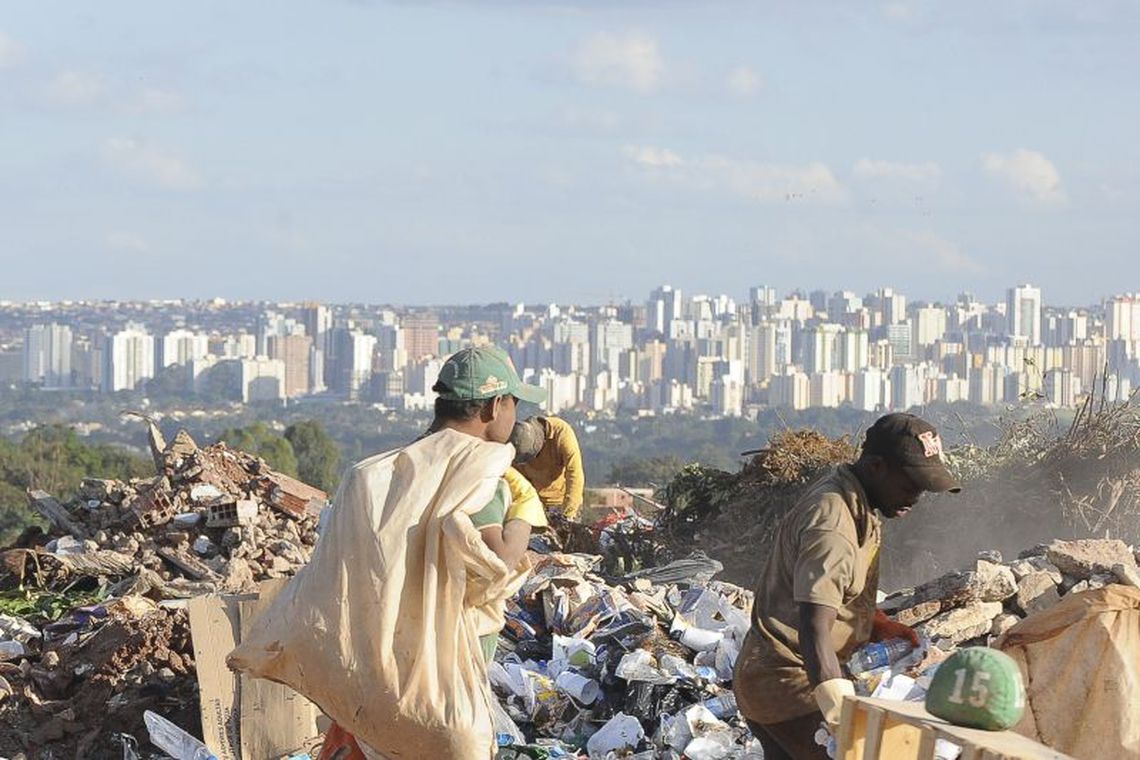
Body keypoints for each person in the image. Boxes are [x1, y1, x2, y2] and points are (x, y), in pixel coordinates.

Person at [313, 346, 548, 760]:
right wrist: (524, 511)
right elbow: (498, 563)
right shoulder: (478, 474)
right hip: (443, 672)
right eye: (514, 404)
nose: (515, 416)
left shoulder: (383, 472)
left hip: (377, 661)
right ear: (495, 407)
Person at [733, 413, 961, 760]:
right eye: (909, 484)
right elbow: (813, 629)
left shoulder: (856, 499)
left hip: (767, 678)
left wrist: (877, 625)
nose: (915, 497)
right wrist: (841, 717)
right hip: (790, 687)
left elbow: (833, 594)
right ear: (876, 466)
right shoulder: (834, 524)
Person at [510, 414, 586, 519]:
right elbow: (515, 480)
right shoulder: (518, 441)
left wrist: (569, 513)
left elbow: (574, 473)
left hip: (562, 501)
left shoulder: (561, 432)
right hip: (535, 504)